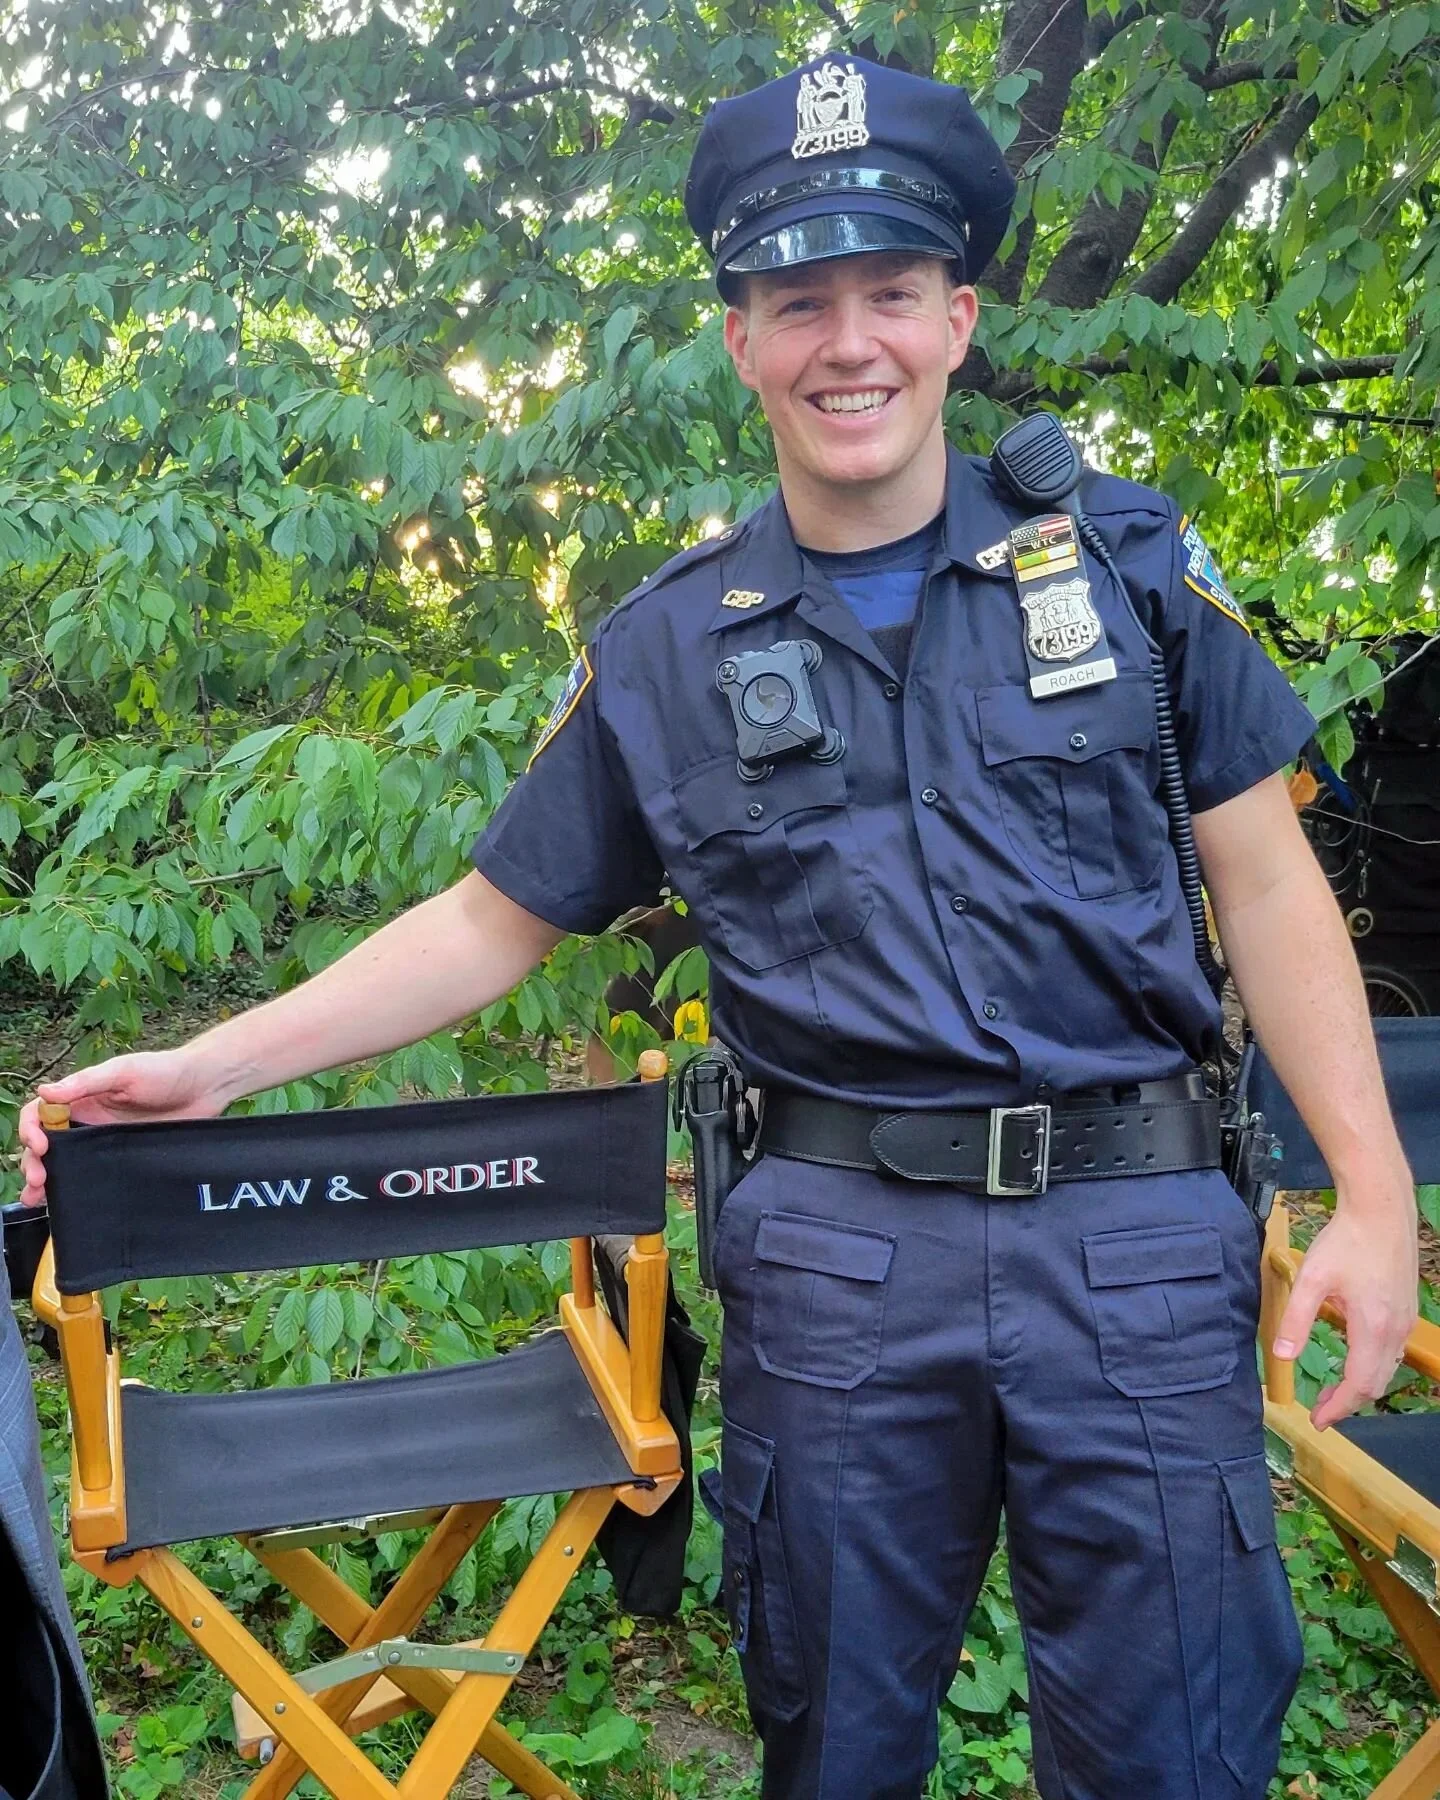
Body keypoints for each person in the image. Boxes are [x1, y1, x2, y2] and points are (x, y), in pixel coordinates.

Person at [18, 52, 1418, 1800]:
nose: (853, 343)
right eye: (800, 299)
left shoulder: (1126, 575)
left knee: (1182, 1747)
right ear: (742, 338)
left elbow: (1266, 878)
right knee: (830, 1740)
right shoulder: (671, 647)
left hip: (1135, 1241)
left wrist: (1372, 1189)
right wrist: (211, 1068)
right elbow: (487, 921)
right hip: (841, 1265)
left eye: (891, 293)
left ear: (960, 318)